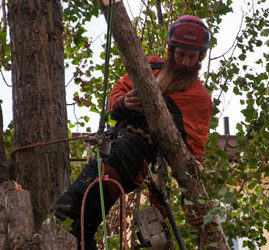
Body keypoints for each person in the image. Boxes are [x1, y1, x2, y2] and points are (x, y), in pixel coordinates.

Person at [49, 15, 213, 249]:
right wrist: (125, 102)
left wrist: (192, 203)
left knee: (68, 212)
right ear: (171, 50)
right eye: (181, 54)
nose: (185, 62)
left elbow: (193, 158)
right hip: (115, 147)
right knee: (75, 223)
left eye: (192, 56)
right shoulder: (149, 67)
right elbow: (115, 96)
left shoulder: (199, 100)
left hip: (132, 158)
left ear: (201, 57)